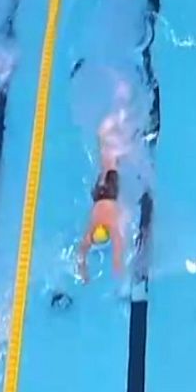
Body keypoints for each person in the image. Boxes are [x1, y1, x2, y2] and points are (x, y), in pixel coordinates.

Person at [77, 114, 126, 282]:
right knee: (105, 165)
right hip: (98, 194)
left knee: (110, 164)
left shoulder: (109, 224)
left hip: (110, 194)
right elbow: (82, 251)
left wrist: (117, 268)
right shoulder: (93, 224)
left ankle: (109, 131)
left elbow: (118, 246)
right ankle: (104, 135)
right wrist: (83, 270)